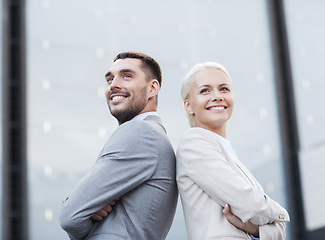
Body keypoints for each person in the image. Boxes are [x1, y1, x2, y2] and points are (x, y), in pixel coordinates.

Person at [59, 51, 178, 240]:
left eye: (127, 76)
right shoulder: (154, 135)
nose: (113, 85)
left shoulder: (140, 132)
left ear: (152, 88)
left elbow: (70, 216)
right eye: (109, 79)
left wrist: (89, 216)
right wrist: (91, 207)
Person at [176, 62, 290, 240]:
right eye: (205, 90)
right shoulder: (193, 143)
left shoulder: (227, 152)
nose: (217, 96)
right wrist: (281, 214)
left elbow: (279, 232)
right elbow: (249, 205)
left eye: (224, 89)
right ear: (188, 105)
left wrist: (255, 228)